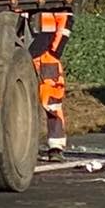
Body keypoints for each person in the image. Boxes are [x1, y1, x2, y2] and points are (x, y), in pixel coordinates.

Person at [30, 11, 72, 158]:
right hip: (26, 53)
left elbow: (65, 21)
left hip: (46, 57)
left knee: (52, 103)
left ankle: (56, 147)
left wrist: (55, 52)